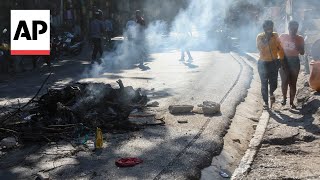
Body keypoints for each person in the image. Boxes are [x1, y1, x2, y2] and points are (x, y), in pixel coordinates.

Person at [256, 20, 284, 109]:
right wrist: (267, 40)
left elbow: (280, 48)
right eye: (267, 28)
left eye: (271, 27)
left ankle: (271, 94)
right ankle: (265, 102)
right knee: (264, 83)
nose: (269, 29)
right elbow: (260, 48)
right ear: (264, 28)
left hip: (273, 63)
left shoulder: (275, 35)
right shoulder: (260, 37)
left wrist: (281, 59)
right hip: (263, 63)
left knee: (274, 83)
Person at [279, 21, 305, 109]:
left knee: (293, 83)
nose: (293, 30)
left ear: (297, 29)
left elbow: (302, 52)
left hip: (294, 61)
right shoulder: (283, 36)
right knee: (284, 82)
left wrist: (299, 47)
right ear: (288, 28)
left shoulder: (300, 38)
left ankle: (291, 102)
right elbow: (277, 47)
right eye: (292, 28)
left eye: (295, 29)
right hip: (284, 60)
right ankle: (284, 99)